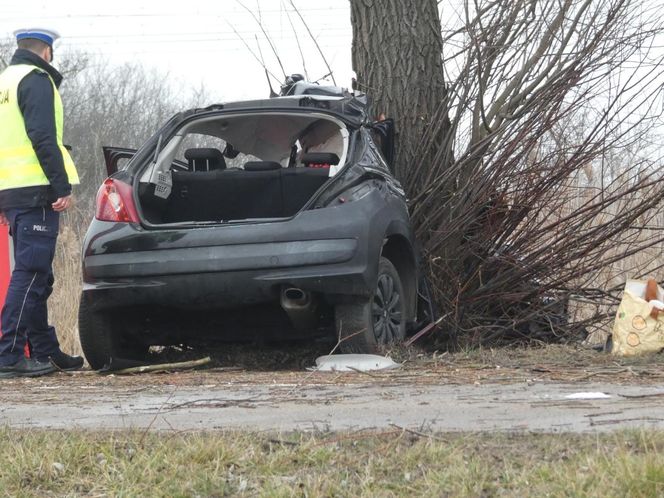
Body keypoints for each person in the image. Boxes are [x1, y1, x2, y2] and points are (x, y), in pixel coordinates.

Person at [0, 28, 82, 378]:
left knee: (37, 274)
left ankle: (45, 351)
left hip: (11, 190)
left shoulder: (5, 81)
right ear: (46, 51)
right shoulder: (35, 80)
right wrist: (60, 185)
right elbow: (42, 136)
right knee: (32, 273)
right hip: (35, 189)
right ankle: (9, 355)